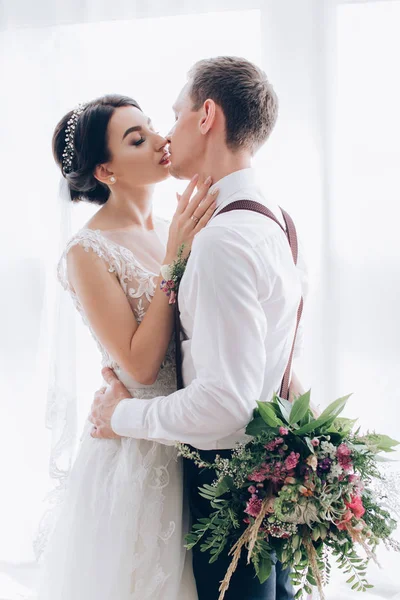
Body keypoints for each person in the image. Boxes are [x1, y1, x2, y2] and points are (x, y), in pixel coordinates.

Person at [90, 57, 308, 599]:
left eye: (173, 113)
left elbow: (225, 405)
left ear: (207, 114)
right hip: (268, 470)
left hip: (227, 485)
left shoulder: (222, 240)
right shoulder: (277, 218)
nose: (166, 133)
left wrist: (121, 414)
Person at [37, 93, 217, 600]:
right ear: (105, 170)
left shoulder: (170, 227)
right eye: (136, 139)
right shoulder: (87, 251)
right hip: (138, 455)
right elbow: (138, 366)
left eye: (153, 127)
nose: (160, 141)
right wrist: (174, 261)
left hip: (195, 430)